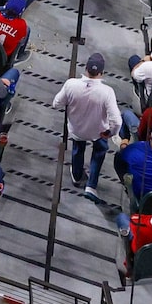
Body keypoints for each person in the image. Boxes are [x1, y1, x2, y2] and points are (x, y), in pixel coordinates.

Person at [52, 51, 121, 196]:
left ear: (85, 68)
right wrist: (111, 132)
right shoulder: (107, 92)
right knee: (99, 151)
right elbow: (117, 121)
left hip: (77, 129)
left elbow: (56, 103)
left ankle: (77, 176)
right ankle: (91, 185)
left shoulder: (71, 84)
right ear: (101, 73)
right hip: (98, 131)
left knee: (78, 150)